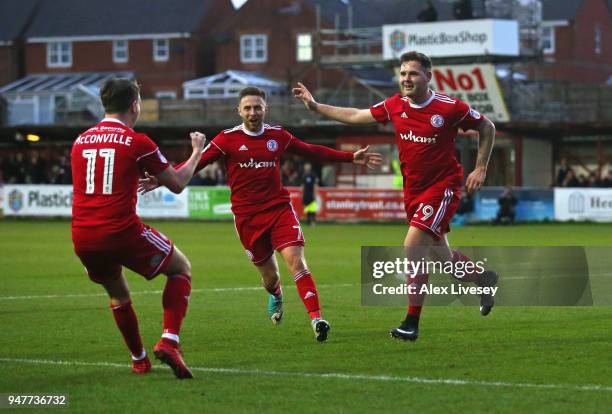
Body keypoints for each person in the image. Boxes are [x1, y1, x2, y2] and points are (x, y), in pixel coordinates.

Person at [140, 86, 381, 342]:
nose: (253, 112)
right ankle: (276, 294)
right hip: (247, 219)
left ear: (266, 109)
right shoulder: (226, 139)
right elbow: (195, 165)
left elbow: (310, 150)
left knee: (296, 262)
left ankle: (317, 319)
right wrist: (163, 179)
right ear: (239, 111)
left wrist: (350, 157)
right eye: (247, 108)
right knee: (270, 277)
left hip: (279, 210)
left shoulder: (278, 135)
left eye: (257, 107)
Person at [293, 51, 498, 342]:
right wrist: (315, 107)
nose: (406, 79)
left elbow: (486, 126)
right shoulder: (395, 105)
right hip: (414, 192)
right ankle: (483, 279)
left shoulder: (450, 108)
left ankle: (411, 323)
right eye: (402, 74)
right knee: (446, 261)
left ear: (429, 76)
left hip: (442, 188)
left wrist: (480, 168)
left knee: (413, 246)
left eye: (413, 73)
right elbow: (355, 115)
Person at [71, 78, 206, 378]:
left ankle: (139, 360)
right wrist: (197, 151)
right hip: (120, 230)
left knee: (118, 296)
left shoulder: (80, 141)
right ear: (135, 105)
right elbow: (178, 183)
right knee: (181, 268)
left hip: (83, 235)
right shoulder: (137, 141)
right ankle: (170, 341)